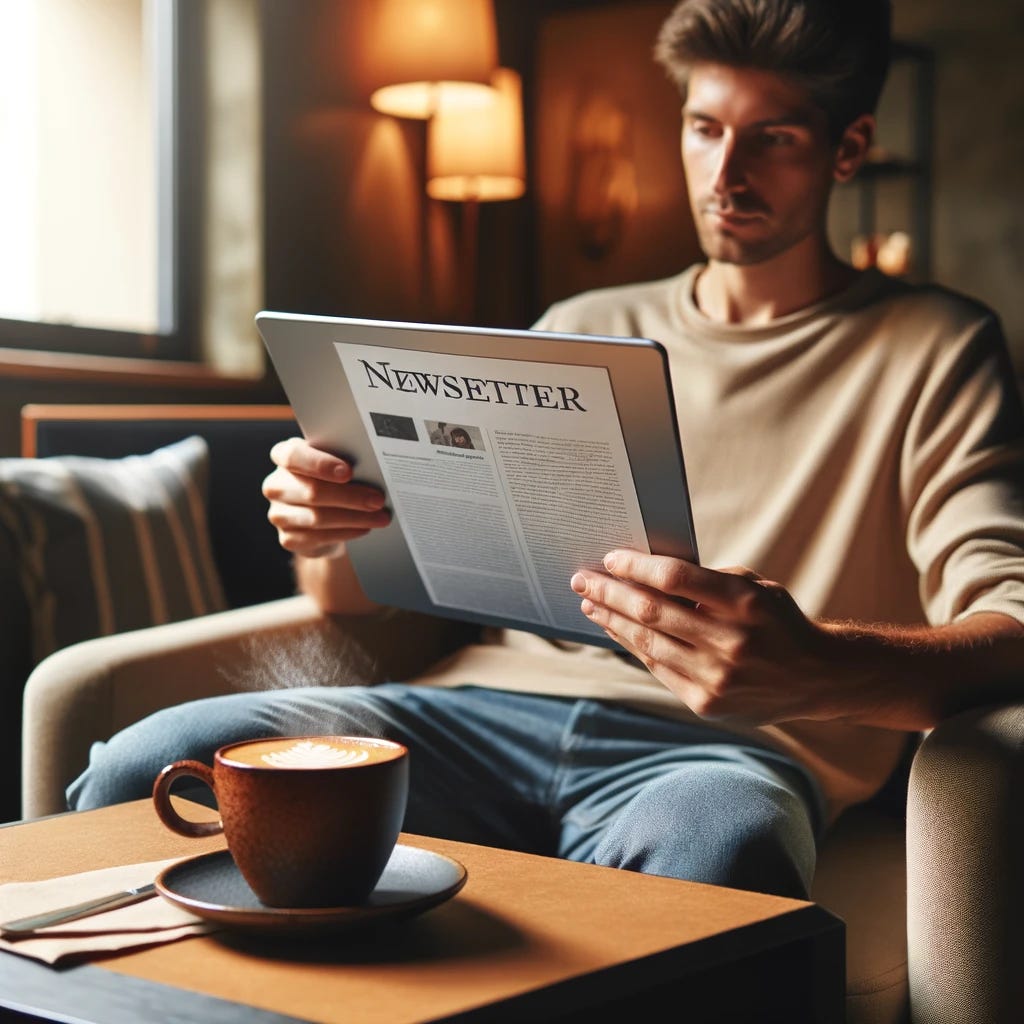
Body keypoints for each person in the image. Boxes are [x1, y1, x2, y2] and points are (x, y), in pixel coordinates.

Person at [67, 0, 1024, 901]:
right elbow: (347, 601)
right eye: (703, 128)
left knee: (724, 843)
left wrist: (818, 665)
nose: (725, 173)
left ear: (847, 149)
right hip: (473, 716)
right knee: (142, 766)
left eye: (771, 138)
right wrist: (325, 530)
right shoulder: (586, 325)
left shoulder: (935, 345)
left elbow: (1011, 620)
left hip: (714, 755)